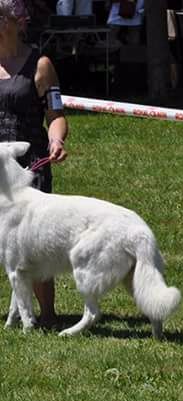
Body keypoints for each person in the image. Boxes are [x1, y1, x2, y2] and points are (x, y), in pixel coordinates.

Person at [0, 0, 68, 327]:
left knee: (34, 244)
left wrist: (57, 139)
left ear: (14, 22)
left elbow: (55, 115)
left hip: (28, 166)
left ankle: (48, 315)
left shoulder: (39, 65)